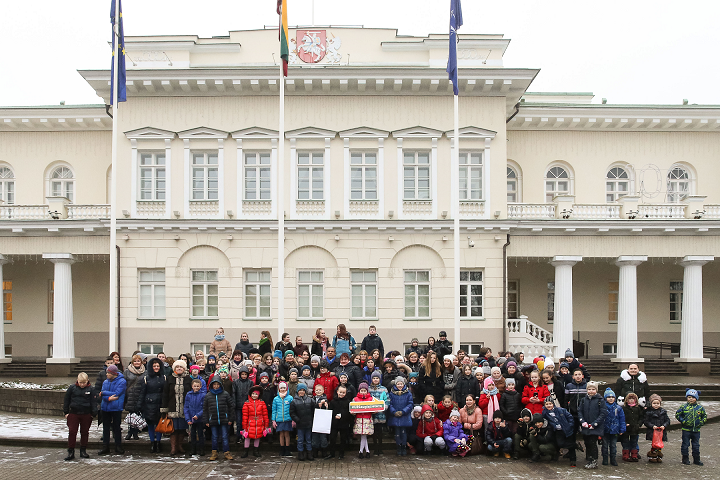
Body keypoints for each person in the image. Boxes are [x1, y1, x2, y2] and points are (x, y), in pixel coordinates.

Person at [162, 360, 193, 457]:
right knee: (173, 429)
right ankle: (173, 448)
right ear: (174, 369)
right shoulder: (169, 379)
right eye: (177, 367)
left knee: (182, 429)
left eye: (181, 367)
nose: (179, 369)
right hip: (172, 407)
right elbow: (165, 394)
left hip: (184, 408)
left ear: (184, 369)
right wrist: (164, 409)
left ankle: (180, 446)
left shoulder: (188, 379)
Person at [63, 372, 97, 461]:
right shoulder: (72, 388)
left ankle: (83, 450)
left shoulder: (91, 389)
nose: (82, 385)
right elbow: (66, 400)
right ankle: (71, 451)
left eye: (84, 383)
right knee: (72, 432)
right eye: (80, 382)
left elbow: (93, 402)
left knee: (84, 432)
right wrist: (66, 412)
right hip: (74, 413)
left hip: (86, 413)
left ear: (87, 381)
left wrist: (93, 413)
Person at [204, 376, 235, 461]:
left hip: (224, 419)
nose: (216, 386)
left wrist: (230, 419)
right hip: (213, 419)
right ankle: (214, 453)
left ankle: (226, 452)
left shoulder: (225, 394)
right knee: (214, 437)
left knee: (225, 436)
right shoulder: (208, 395)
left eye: (218, 384)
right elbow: (205, 409)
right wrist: (206, 420)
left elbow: (231, 407)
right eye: (214, 384)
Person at [98, 364, 126, 455]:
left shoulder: (122, 381)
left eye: (108, 373)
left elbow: (117, 394)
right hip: (105, 407)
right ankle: (105, 446)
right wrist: (108, 398)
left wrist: (104, 393)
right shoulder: (105, 382)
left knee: (116, 427)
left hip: (116, 408)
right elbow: (102, 394)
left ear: (113, 373)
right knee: (105, 428)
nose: (106, 374)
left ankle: (118, 446)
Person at [578, 381, 607, 469]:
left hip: (595, 427)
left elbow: (603, 413)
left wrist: (595, 423)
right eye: (589, 389)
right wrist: (582, 421)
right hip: (586, 426)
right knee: (587, 443)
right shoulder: (583, 400)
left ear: (596, 390)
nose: (591, 391)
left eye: (593, 389)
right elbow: (580, 411)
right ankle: (589, 458)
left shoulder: (600, 400)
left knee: (592, 443)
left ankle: (594, 460)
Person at [676, 388, 707, 466]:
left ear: (696, 398)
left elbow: (704, 416)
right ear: (687, 397)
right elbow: (677, 414)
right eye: (689, 397)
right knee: (685, 444)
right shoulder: (683, 407)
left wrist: (701, 422)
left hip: (696, 430)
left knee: (696, 445)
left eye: (693, 397)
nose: (691, 399)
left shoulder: (700, 408)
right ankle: (685, 458)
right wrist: (683, 421)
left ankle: (696, 459)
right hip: (686, 429)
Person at [542, 396, 576, 466]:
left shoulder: (561, 410)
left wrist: (570, 425)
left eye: (550, 404)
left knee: (570, 446)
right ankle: (575, 445)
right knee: (560, 444)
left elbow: (569, 417)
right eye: (547, 404)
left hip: (567, 429)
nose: (549, 405)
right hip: (557, 431)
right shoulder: (545, 413)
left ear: (553, 404)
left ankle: (573, 460)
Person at [240, 385, 270, 458]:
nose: (254, 395)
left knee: (258, 436)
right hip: (250, 422)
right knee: (247, 437)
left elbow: (265, 414)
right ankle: (245, 451)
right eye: (253, 394)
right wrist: (244, 426)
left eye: (256, 394)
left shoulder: (262, 403)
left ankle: (256, 451)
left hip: (260, 422)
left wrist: (266, 425)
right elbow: (245, 416)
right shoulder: (246, 403)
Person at [387, 376, 413, 456]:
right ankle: (398, 447)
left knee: (403, 432)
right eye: (398, 384)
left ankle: (404, 447)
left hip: (404, 415)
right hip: (395, 415)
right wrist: (394, 411)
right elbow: (389, 403)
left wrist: (403, 411)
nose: (400, 386)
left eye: (401, 384)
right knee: (397, 432)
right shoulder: (391, 393)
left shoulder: (408, 393)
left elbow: (410, 403)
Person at [325, 384, 353, 459]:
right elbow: (331, 411)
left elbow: (349, 413)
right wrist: (334, 415)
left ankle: (341, 454)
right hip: (334, 423)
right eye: (340, 392)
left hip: (344, 423)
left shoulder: (348, 402)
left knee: (343, 439)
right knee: (332, 438)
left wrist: (342, 415)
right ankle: (332, 453)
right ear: (337, 392)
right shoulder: (333, 401)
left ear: (346, 393)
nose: (341, 394)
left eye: (343, 393)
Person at [123, 354, 145, 441]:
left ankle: (135, 432)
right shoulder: (127, 371)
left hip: (140, 395)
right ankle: (130, 432)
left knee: (138, 415)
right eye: (135, 361)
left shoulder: (145, 371)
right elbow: (124, 384)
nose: (137, 363)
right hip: (130, 395)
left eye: (138, 361)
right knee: (131, 415)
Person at [290, 383, 315, 460]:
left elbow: (313, 410)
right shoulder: (294, 401)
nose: (301, 392)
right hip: (300, 424)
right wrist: (297, 420)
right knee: (300, 440)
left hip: (308, 423)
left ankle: (309, 453)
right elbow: (292, 413)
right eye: (300, 390)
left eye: (303, 390)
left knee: (308, 439)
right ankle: (300, 453)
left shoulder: (310, 400)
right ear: (297, 391)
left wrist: (311, 419)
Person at [601, 388, 625, 466]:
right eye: (609, 397)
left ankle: (613, 459)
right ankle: (605, 459)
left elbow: (622, 419)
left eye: (612, 397)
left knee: (613, 445)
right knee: (604, 445)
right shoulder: (602, 408)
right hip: (605, 430)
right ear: (605, 398)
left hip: (615, 430)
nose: (611, 399)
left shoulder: (618, 408)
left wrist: (622, 429)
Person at [368, 371, 389, 456]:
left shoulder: (384, 389)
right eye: (374, 378)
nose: (375, 380)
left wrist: (384, 409)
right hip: (372, 414)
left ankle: (380, 448)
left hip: (380, 414)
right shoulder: (368, 389)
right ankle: (375, 448)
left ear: (379, 379)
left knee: (380, 432)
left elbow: (387, 400)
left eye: (377, 378)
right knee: (374, 432)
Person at [644, 393, 670, 463]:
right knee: (654, 445)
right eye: (654, 403)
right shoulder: (649, 412)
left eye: (657, 403)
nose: (656, 405)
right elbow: (646, 421)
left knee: (659, 445)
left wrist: (664, 425)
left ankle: (658, 455)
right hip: (653, 431)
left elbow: (667, 420)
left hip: (661, 431)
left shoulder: (663, 412)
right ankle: (653, 455)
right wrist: (652, 426)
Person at [272, 382, 294, 457]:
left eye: (284, 388)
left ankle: (287, 449)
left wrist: (293, 419)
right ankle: (282, 449)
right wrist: (273, 420)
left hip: (288, 419)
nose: (283, 389)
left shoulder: (290, 398)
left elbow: (292, 409)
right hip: (279, 419)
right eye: (281, 388)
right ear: (279, 389)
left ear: (286, 389)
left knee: (287, 434)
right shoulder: (276, 399)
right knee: (281, 434)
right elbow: (274, 410)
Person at [232, 365, 253, 445]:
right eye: (242, 374)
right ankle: (239, 436)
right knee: (239, 422)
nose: (244, 376)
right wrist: (234, 403)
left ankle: (247, 436)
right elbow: (234, 393)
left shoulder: (250, 382)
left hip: (247, 405)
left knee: (247, 421)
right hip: (238, 405)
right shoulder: (236, 382)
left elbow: (251, 394)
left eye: (245, 374)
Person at [185, 378, 206, 457]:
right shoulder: (189, 395)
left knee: (200, 434)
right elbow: (186, 407)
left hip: (200, 419)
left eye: (198, 386)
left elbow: (204, 407)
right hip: (191, 419)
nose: (196, 387)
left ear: (200, 386)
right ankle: (193, 449)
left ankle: (201, 449)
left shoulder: (203, 395)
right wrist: (188, 418)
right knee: (192, 435)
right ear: (192, 386)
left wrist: (198, 415)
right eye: (195, 386)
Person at [621, 392, 643, 462]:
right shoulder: (624, 408)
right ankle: (626, 454)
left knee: (634, 441)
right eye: (629, 399)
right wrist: (625, 423)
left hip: (635, 428)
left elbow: (641, 418)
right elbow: (621, 417)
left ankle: (634, 454)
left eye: (632, 399)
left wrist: (638, 424)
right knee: (625, 442)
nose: (631, 400)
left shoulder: (638, 408)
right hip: (626, 428)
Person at [310, 384, 330, 458]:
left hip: (322, 421)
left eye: (320, 390)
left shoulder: (325, 399)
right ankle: (315, 452)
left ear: (323, 391)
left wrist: (324, 404)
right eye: (317, 390)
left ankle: (324, 453)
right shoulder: (312, 399)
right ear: (314, 391)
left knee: (323, 437)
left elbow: (326, 403)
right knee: (315, 437)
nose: (318, 391)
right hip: (314, 421)